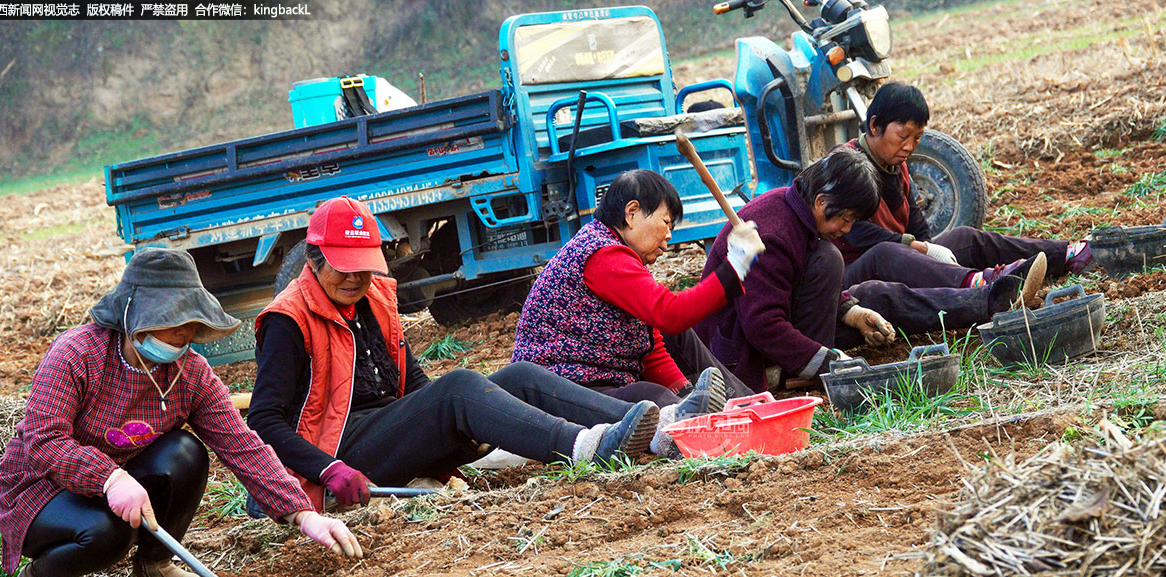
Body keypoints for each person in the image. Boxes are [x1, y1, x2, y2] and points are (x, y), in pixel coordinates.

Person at [0, 249, 363, 577]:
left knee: (185, 452)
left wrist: (302, 514)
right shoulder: (77, 354)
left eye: (191, 323)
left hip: (120, 482)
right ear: (139, 318)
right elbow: (44, 440)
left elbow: (241, 444)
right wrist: (109, 478)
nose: (185, 333)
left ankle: (155, 568)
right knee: (109, 534)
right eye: (174, 321)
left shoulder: (190, 373)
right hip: (41, 488)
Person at [248, 196, 669, 511]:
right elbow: (264, 420)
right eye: (344, 268)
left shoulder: (373, 297)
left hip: (389, 436)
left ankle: (661, 430)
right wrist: (326, 469)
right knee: (459, 389)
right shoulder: (288, 319)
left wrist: (446, 431)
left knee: (519, 376)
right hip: (342, 456)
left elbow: (412, 386)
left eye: (363, 266)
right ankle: (587, 448)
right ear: (313, 258)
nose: (357, 279)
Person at [696, 148, 1031, 392]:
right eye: (846, 218)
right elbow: (763, 327)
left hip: (785, 332)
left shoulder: (796, 214)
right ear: (822, 202)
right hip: (743, 357)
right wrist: (829, 362)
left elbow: (798, 286)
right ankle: (791, 375)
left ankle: (985, 303)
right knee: (832, 259)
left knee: (874, 298)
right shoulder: (772, 233)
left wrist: (849, 311)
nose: (846, 228)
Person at [511, 169, 763, 450]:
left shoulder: (615, 252)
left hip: (595, 378)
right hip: (564, 388)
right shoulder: (602, 255)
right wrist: (734, 268)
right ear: (632, 213)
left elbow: (650, 344)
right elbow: (670, 314)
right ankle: (699, 430)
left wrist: (684, 391)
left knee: (672, 356)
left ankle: (741, 406)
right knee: (647, 395)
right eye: (665, 223)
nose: (668, 239)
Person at [835, 82, 1091, 290]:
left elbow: (914, 217)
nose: (909, 147)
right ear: (874, 126)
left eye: (917, 139)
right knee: (886, 253)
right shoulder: (848, 163)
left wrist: (927, 250)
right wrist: (919, 248)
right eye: (903, 137)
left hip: (902, 258)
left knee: (965, 237)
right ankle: (980, 283)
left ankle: (1067, 254)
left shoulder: (896, 163)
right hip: (856, 275)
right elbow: (857, 233)